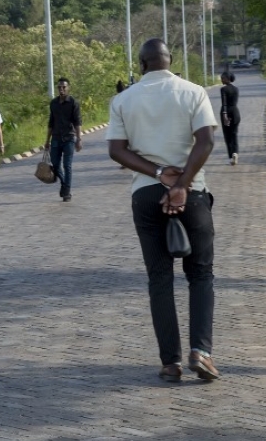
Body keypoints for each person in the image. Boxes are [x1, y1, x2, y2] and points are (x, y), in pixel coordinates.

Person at [106, 38, 220, 382]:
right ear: (170, 61)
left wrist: (158, 174)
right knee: (200, 275)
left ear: (141, 65)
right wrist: (182, 184)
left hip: (145, 195)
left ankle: (170, 363)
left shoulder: (123, 100)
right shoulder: (193, 92)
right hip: (194, 194)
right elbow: (206, 141)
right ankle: (201, 351)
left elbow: (116, 150)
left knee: (160, 278)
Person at [45, 77, 83, 202]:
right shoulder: (53, 103)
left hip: (69, 138)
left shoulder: (73, 103)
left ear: (68, 88)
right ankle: (64, 184)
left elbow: (77, 122)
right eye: (59, 87)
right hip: (55, 138)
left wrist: (79, 139)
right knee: (55, 165)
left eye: (64, 87)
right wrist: (47, 141)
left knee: (67, 165)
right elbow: (51, 122)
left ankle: (67, 192)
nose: (61, 89)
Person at [220, 71, 240, 165]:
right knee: (234, 134)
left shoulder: (223, 89)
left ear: (227, 78)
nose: (221, 79)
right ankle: (235, 153)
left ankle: (231, 155)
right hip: (236, 112)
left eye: (223, 78)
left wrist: (225, 114)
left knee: (227, 135)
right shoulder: (236, 89)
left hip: (227, 113)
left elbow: (224, 103)